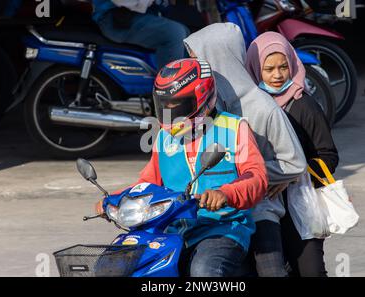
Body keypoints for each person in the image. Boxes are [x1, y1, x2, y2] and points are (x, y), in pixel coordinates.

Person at [95, 58, 268, 276]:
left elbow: (257, 177)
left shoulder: (234, 128)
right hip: (171, 230)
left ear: (203, 98)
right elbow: (147, 184)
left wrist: (225, 193)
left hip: (222, 228)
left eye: (178, 105)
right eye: (165, 105)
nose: (170, 111)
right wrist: (115, 201)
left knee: (203, 271)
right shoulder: (163, 138)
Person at [183, 23, 307, 277]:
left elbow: (294, 162)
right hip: (218, 211)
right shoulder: (209, 107)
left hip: (261, 208)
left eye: (196, 58)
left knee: (269, 271)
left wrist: (256, 177)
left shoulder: (262, 107)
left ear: (217, 57)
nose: (192, 65)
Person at [245, 31, 340, 277]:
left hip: (300, 204)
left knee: (310, 270)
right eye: (269, 69)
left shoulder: (304, 105)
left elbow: (328, 155)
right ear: (256, 69)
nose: (277, 75)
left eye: (283, 67)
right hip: (263, 201)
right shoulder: (250, 107)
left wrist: (293, 175)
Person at [91, 0, 189, 70]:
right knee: (174, 33)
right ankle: (169, 92)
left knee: (185, 33)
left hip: (134, 13)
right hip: (115, 18)